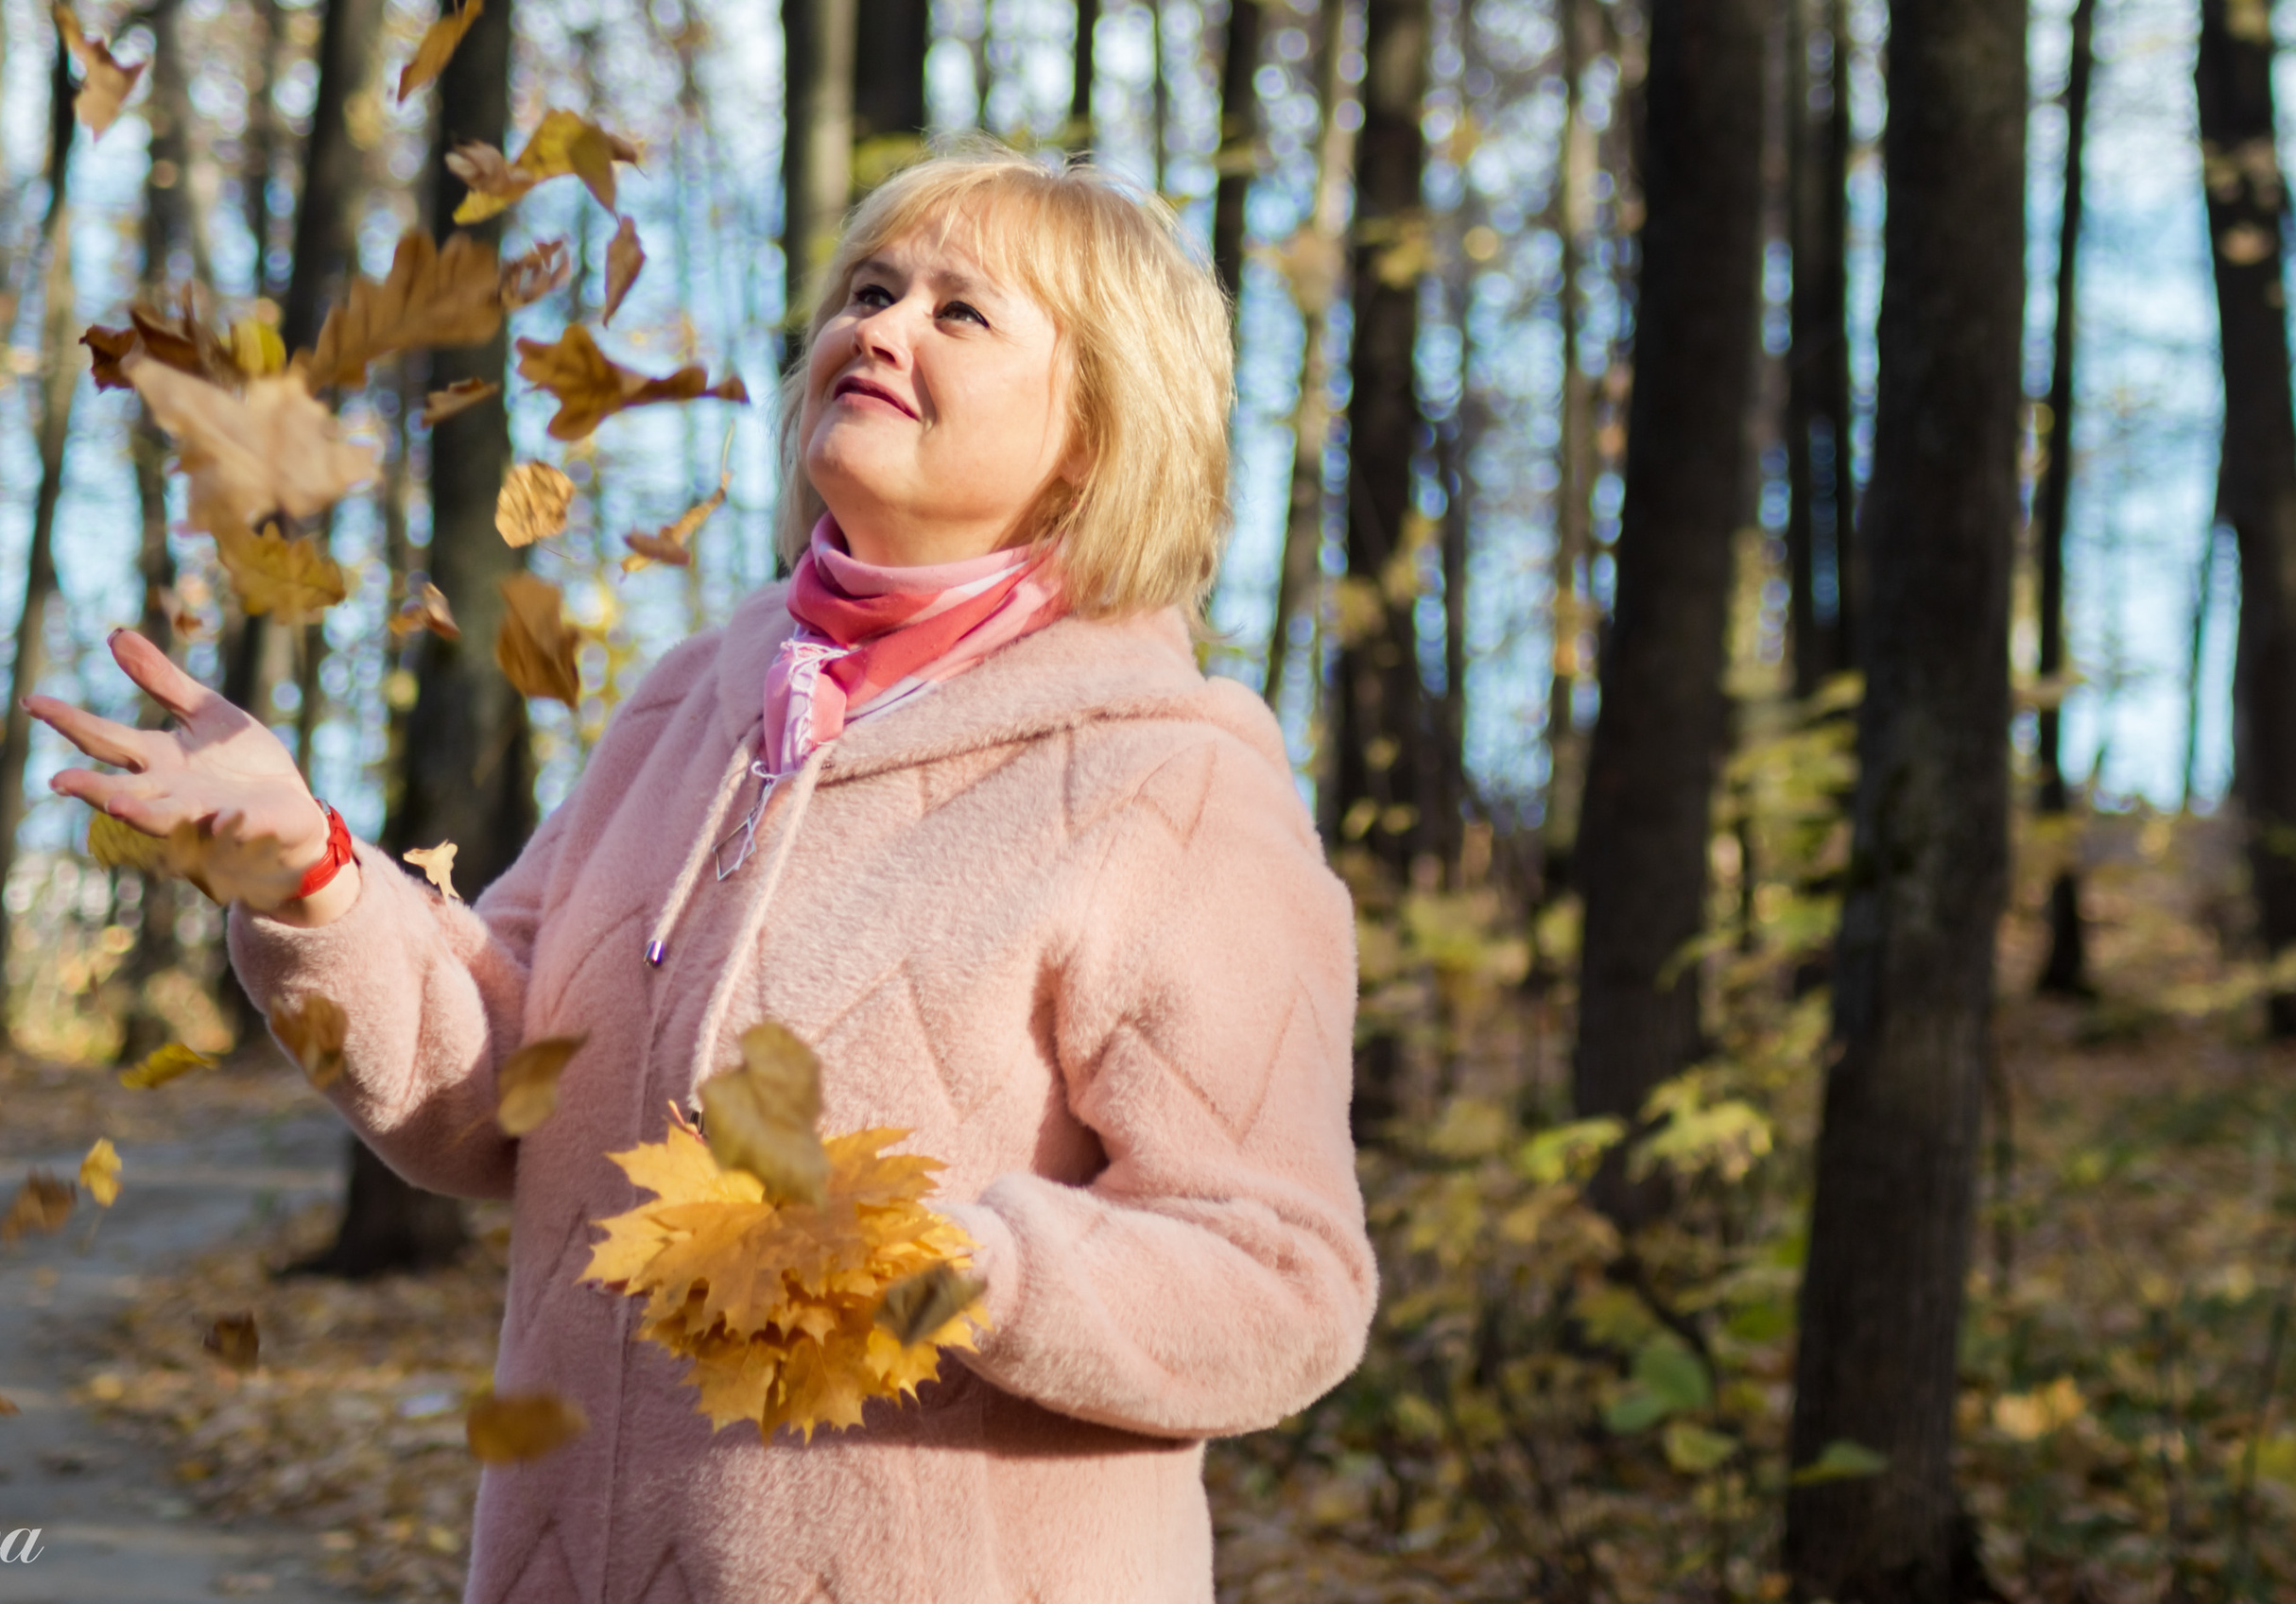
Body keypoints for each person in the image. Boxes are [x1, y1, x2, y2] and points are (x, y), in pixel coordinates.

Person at [29, 147, 1376, 1604]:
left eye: (959, 312)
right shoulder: (690, 707)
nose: (879, 328)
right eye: (868, 290)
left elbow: (1283, 1280)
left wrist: (940, 1269)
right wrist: (316, 879)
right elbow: (489, 1099)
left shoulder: (1171, 785)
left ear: (1098, 435)